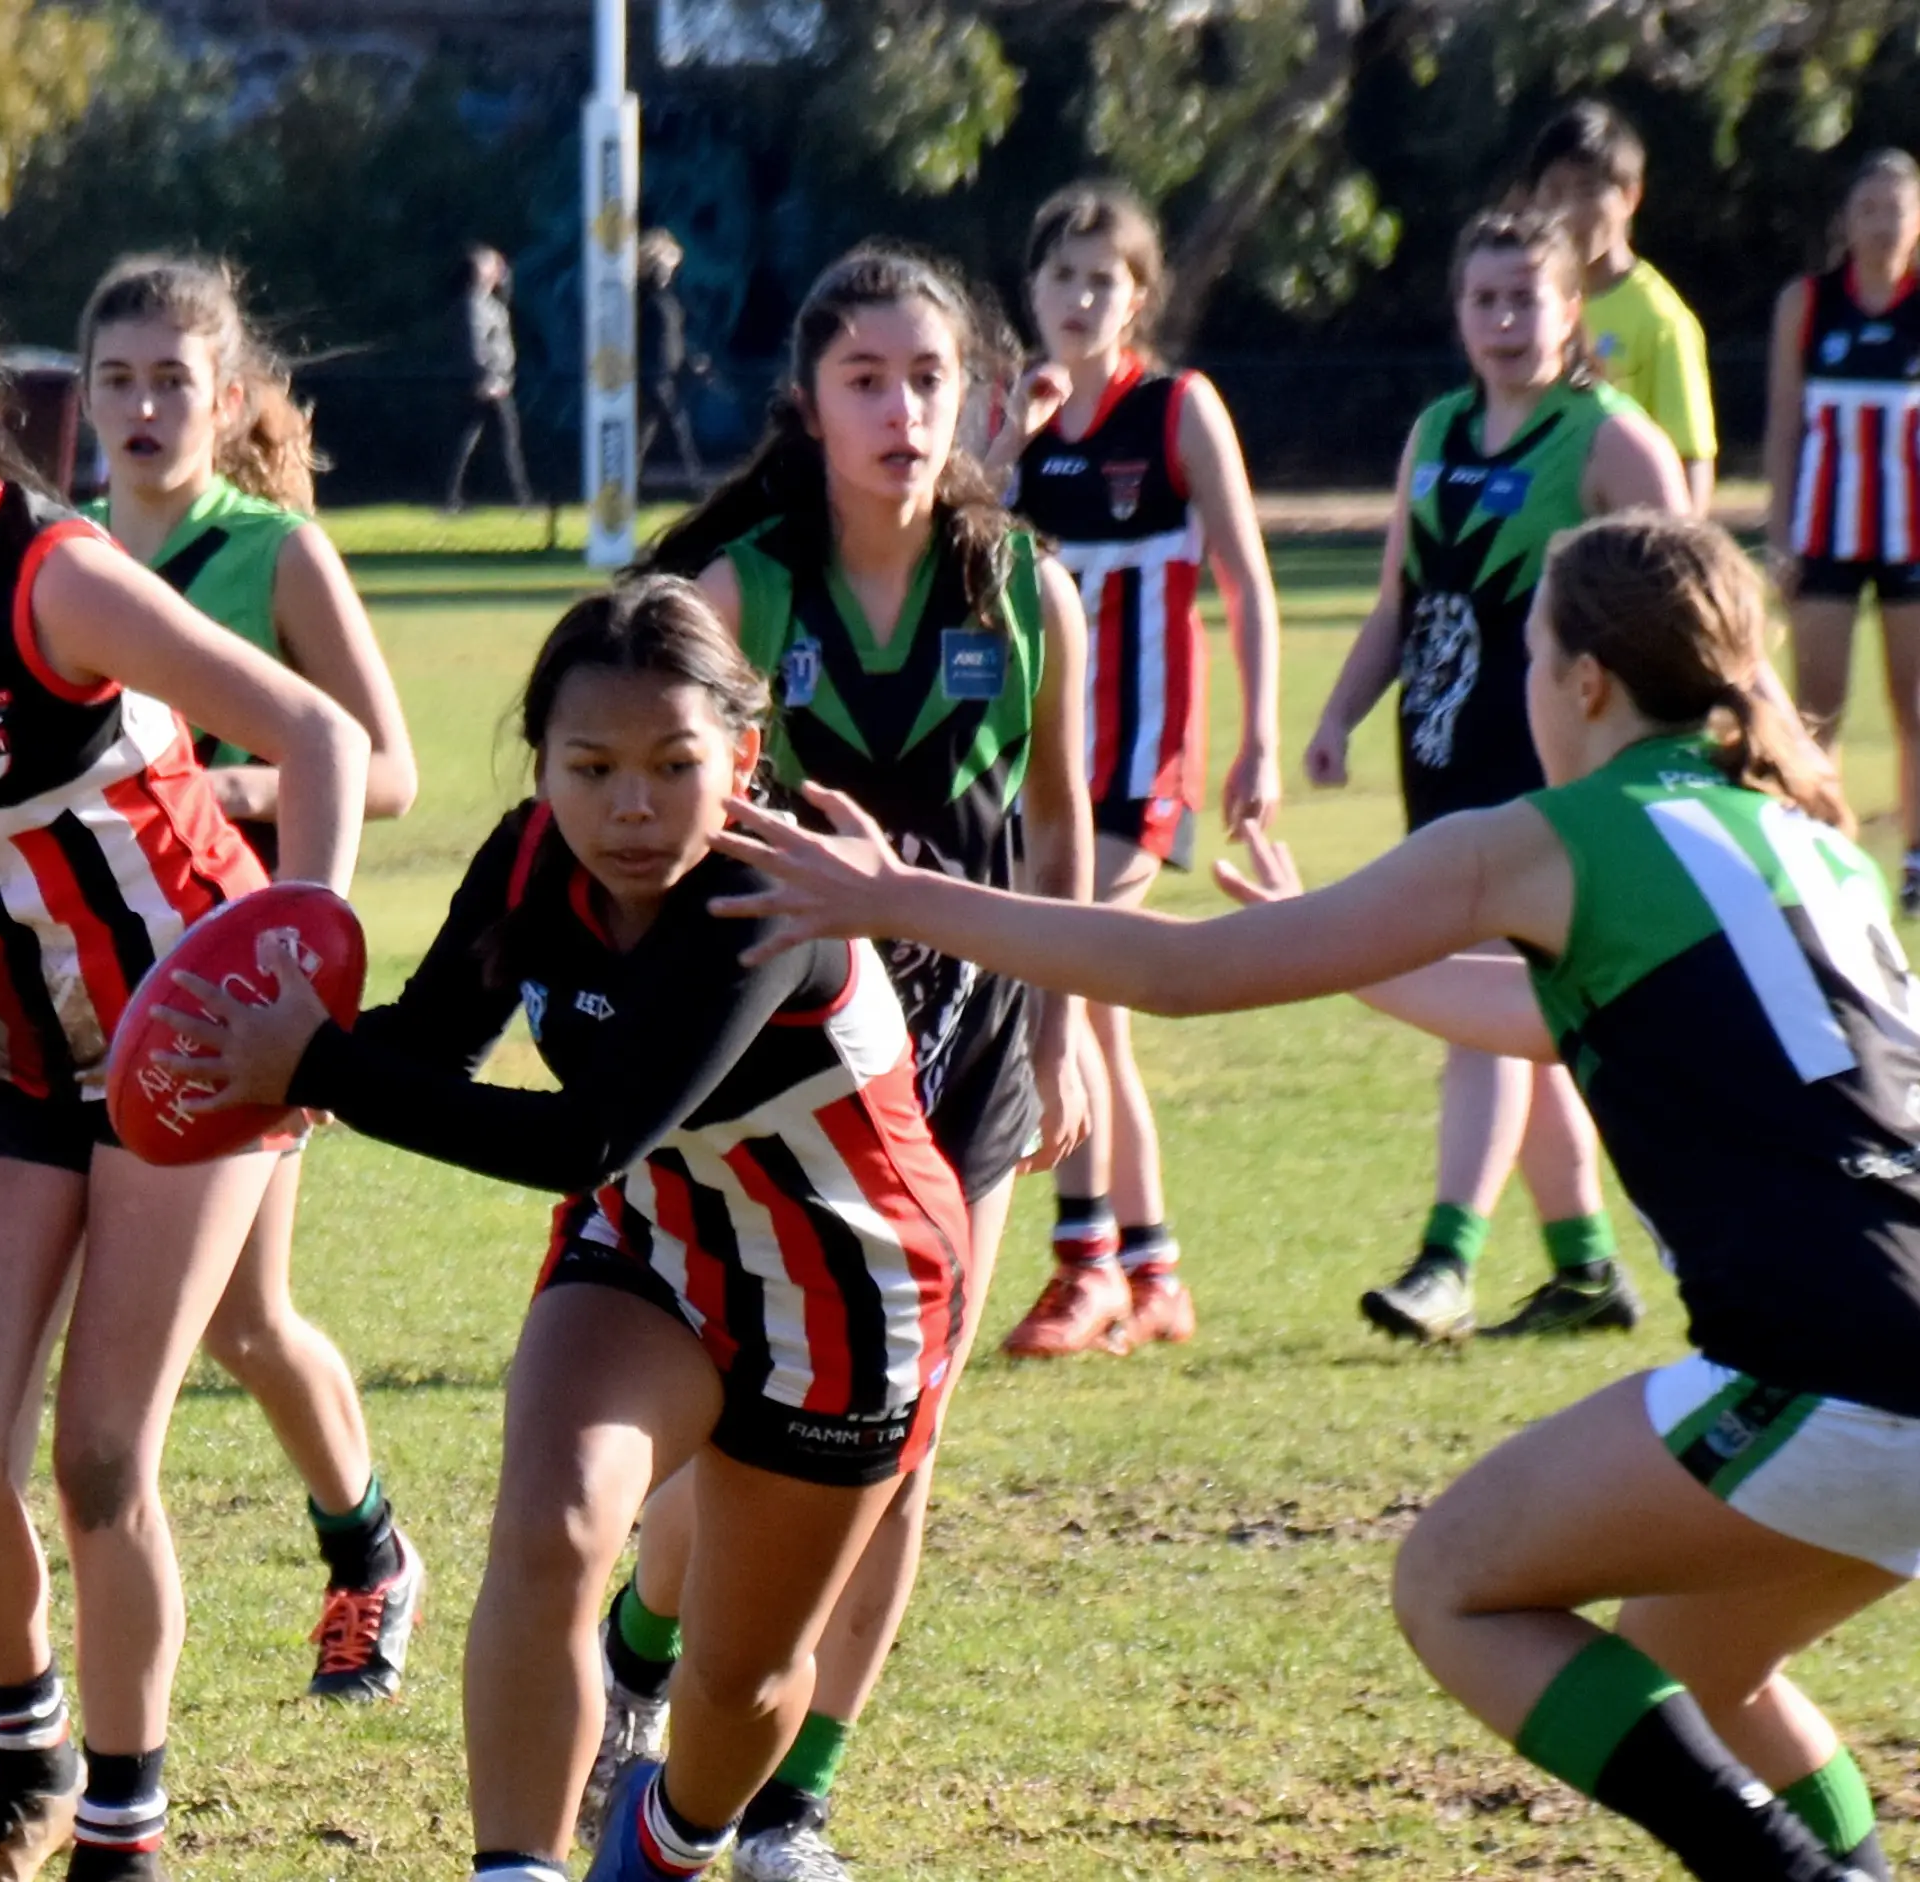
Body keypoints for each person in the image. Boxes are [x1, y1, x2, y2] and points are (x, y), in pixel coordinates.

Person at [709, 509, 1910, 1882]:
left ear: (1583, 681)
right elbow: (1565, 1013)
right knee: (1699, 1658)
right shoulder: (1802, 834)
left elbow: (1181, 971)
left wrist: (904, 896)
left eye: (1531, 653)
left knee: (1453, 1582)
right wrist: (1349, 949)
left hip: (1837, 1363)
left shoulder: (1547, 834)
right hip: (1894, 1361)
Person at [146, 576, 973, 1882]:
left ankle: (671, 1835)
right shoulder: (534, 856)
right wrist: (266, 1050)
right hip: (646, 1250)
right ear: (540, 765)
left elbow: (584, 1134)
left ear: (742, 759)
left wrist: (315, 1062)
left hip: (841, 1296)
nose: (629, 806)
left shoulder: (762, 906)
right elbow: (430, 1046)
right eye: (589, 767)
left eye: (673, 764)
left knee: (742, 1679)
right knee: (553, 1526)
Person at [590, 244, 1094, 1881]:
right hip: (792, 1069)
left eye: (926, 378)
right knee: (751, 1426)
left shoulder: (1025, 590)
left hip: (977, 1053)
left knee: (908, 1429)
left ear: (974, 400)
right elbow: (638, 815)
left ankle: (792, 1800)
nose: (898, 408)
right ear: (806, 405)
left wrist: (1066, 1024)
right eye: (864, 378)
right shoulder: (737, 594)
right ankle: (648, 1643)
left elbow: (1062, 834)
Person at [0, 253, 429, 1730]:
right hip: (19, 1029)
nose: (136, 404)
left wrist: (303, 966)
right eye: (112, 378)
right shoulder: (31, 543)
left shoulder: (218, 557)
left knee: (229, 1343)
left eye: (168, 379)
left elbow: (363, 758)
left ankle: (364, 1542)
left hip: (215, 1002)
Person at [1306, 206, 1687, 1344]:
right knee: (1521, 1014)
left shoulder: (1605, 437)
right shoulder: (1435, 429)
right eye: (1484, 299)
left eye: (1528, 297)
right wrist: (1334, 714)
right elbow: (1395, 603)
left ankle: (1444, 1260)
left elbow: (1693, 602)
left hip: (1549, 770)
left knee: (1483, 1008)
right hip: (1436, 757)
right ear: (1457, 312)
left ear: (1572, 311)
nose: (1505, 320)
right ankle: (1582, 1269)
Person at [982, 180, 1282, 1356]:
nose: (1076, 296)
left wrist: (1257, 738)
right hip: (1036, 762)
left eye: (1101, 278)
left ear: (1138, 297)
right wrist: (1008, 436)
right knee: (1091, 1009)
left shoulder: (1176, 411)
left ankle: (1087, 1265)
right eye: (1058, 275)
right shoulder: (1016, 413)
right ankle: (1148, 1270)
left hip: (1139, 760)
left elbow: (1247, 581)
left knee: (1075, 977)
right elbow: (952, 531)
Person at [1763, 148, 1920, 912]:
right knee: (1814, 708)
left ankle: (1917, 865)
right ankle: (1820, 854)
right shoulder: (1808, 303)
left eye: (1898, 209)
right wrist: (1779, 532)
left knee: (1914, 706)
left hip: (1911, 540)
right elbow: (1785, 422)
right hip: (1824, 533)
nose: (1884, 224)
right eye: (1870, 209)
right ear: (1846, 221)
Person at [1527, 100, 1718, 515]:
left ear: (1631, 196)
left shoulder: (1661, 319)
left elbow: (1691, 458)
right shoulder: (1527, 304)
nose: (1566, 211)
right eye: (1553, 191)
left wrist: (1675, 559)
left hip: (1615, 556)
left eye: (1587, 190)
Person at [445, 244, 534, 512]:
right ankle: (520, 498)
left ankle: (453, 497)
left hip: (498, 382)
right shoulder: (473, 305)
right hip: (487, 384)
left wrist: (505, 280)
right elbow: (475, 346)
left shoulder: (490, 303)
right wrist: (486, 378)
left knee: (474, 441)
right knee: (491, 441)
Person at [637, 230, 707, 491]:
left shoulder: (667, 297)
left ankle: (628, 482)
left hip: (666, 372)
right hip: (652, 374)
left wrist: (690, 360)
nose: (669, 272)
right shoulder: (643, 297)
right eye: (665, 266)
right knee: (678, 428)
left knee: (647, 431)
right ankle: (696, 484)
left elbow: (674, 335)